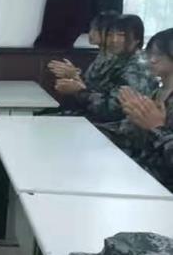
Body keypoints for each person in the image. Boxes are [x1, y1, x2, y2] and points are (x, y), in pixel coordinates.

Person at [51, 13, 156, 122]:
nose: (114, 40)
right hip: (93, 117)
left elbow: (113, 110)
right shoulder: (118, 58)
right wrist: (75, 80)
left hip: (116, 127)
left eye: (121, 35)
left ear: (137, 39)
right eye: (110, 35)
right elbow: (94, 88)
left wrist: (79, 91)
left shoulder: (137, 66)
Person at [105, 29, 173, 192]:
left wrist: (156, 128)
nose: (152, 60)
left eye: (159, 55)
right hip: (141, 167)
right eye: (151, 54)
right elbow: (132, 133)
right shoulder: (158, 92)